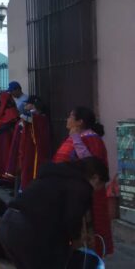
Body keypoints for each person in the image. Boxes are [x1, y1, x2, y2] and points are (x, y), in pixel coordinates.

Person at [0, 157, 109, 269]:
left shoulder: (58, 175)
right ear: (95, 177)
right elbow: (72, 219)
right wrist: (76, 241)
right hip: (28, 230)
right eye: (100, 185)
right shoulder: (81, 186)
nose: (98, 190)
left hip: (7, 223)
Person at [52, 107, 113, 257]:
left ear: (79, 122)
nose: (67, 119)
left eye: (70, 116)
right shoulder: (74, 137)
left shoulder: (92, 140)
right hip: (67, 192)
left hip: (83, 197)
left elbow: (90, 165)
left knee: (86, 232)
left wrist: (77, 140)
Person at [17, 96, 50, 191]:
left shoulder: (40, 118)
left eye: (28, 104)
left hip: (34, 150)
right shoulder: (32, 116)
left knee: (30, 170)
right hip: (26, 148)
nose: (26, 105)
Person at [0, 92, 19, 181]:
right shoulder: (0, 110)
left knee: (6, 158)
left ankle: (7, 180)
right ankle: (0, 178)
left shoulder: (11, 111)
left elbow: (9, 124)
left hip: (6, 139)